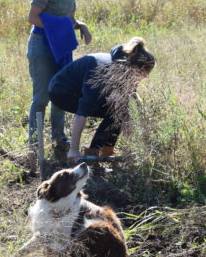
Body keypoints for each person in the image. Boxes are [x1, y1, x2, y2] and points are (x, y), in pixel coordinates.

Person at [26, 0, 92, 158]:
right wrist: (59, 29)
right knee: (42, 96)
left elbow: (68, 20)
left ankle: (58, 137)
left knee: (61, 92)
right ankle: (34, 142)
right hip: (41, 45)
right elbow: (33, 18)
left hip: (61, 47)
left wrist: (80, 25)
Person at [48, 37, 155, 165]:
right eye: (142, 73)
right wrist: (73, 150)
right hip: (61, 92)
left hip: (79, 89)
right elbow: (82, 112)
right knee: (114, 110)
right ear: (133, 67)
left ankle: (106, 153)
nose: (143, 78)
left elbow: (128, 107)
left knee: (122, 110)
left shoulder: (127, 71)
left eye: (146, 75)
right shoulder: (103, 74)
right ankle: (92, 156)